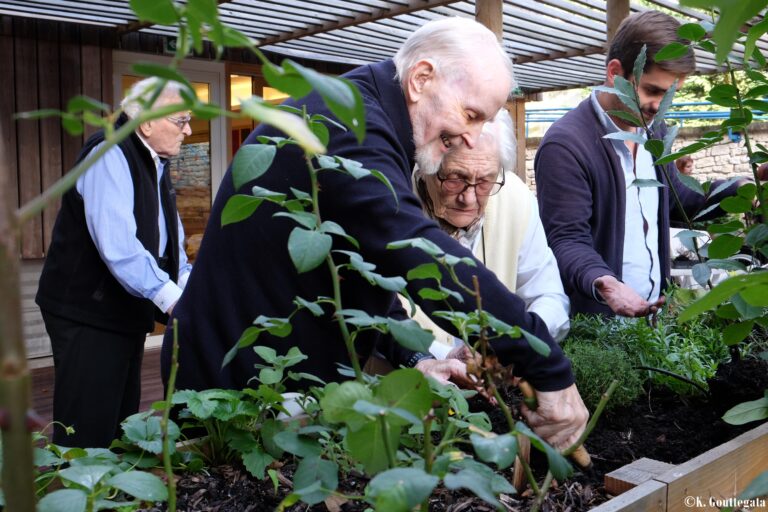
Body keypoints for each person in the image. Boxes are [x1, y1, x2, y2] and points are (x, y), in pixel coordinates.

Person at [164, 17, 588, 450]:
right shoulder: (351, 127)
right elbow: (418, 253)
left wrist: (418, 355)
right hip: (228, 388)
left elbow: (367, 264)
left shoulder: (372, 116)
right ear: (421, 79)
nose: (470, 136)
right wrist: (544, 363)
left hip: (274, 385)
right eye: (471, 114)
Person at [535, 11, 740, 318]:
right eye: (653, 90)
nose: (660, 106)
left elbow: (677, 199)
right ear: (615, 73)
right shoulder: (567, 145)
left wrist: (738, 189)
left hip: (652, 325)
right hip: (598, 331)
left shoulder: (652, 131)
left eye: (670, 94)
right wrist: (606, 284)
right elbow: (565, 239)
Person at [36, 78, 194, 448]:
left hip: (120, 311)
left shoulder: (155, 161)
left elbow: (171, 241)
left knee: (121, 417)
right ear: (148, 123)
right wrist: (173, 301)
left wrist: (189, 286)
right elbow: (119, 247)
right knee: (86, 426)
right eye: (181, 120)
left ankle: (112, 498)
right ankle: (79, 499)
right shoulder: (109, 153)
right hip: (85, 312)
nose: (188, 130)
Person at [410, 109, 570, 358]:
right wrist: (443, 357)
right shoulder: (393, 204)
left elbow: (549, 296)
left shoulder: (515, 197)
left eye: (485, 181)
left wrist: (519, 342)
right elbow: (375, 321)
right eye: (454, 179)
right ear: (426, 166)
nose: (468, 198)